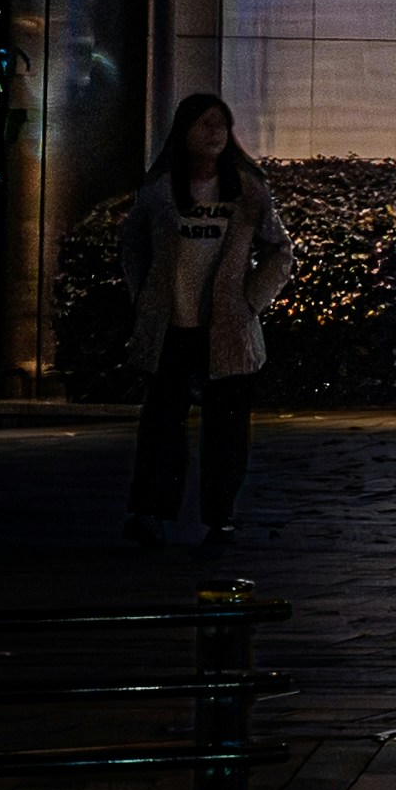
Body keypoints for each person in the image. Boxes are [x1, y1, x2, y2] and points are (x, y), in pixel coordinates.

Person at [118, 95, 298, 545]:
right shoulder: (160, 188)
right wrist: (143, 296)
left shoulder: (247, 189)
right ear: (184, 131)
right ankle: (151, 513)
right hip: (171, 326)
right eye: (204, 124)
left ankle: (220, 517)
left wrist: (251, 301)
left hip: (227, 329)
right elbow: (133, 241)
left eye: (222, 124)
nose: (215, 133)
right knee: (162, 423)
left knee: (228, 429)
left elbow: (279, 249)